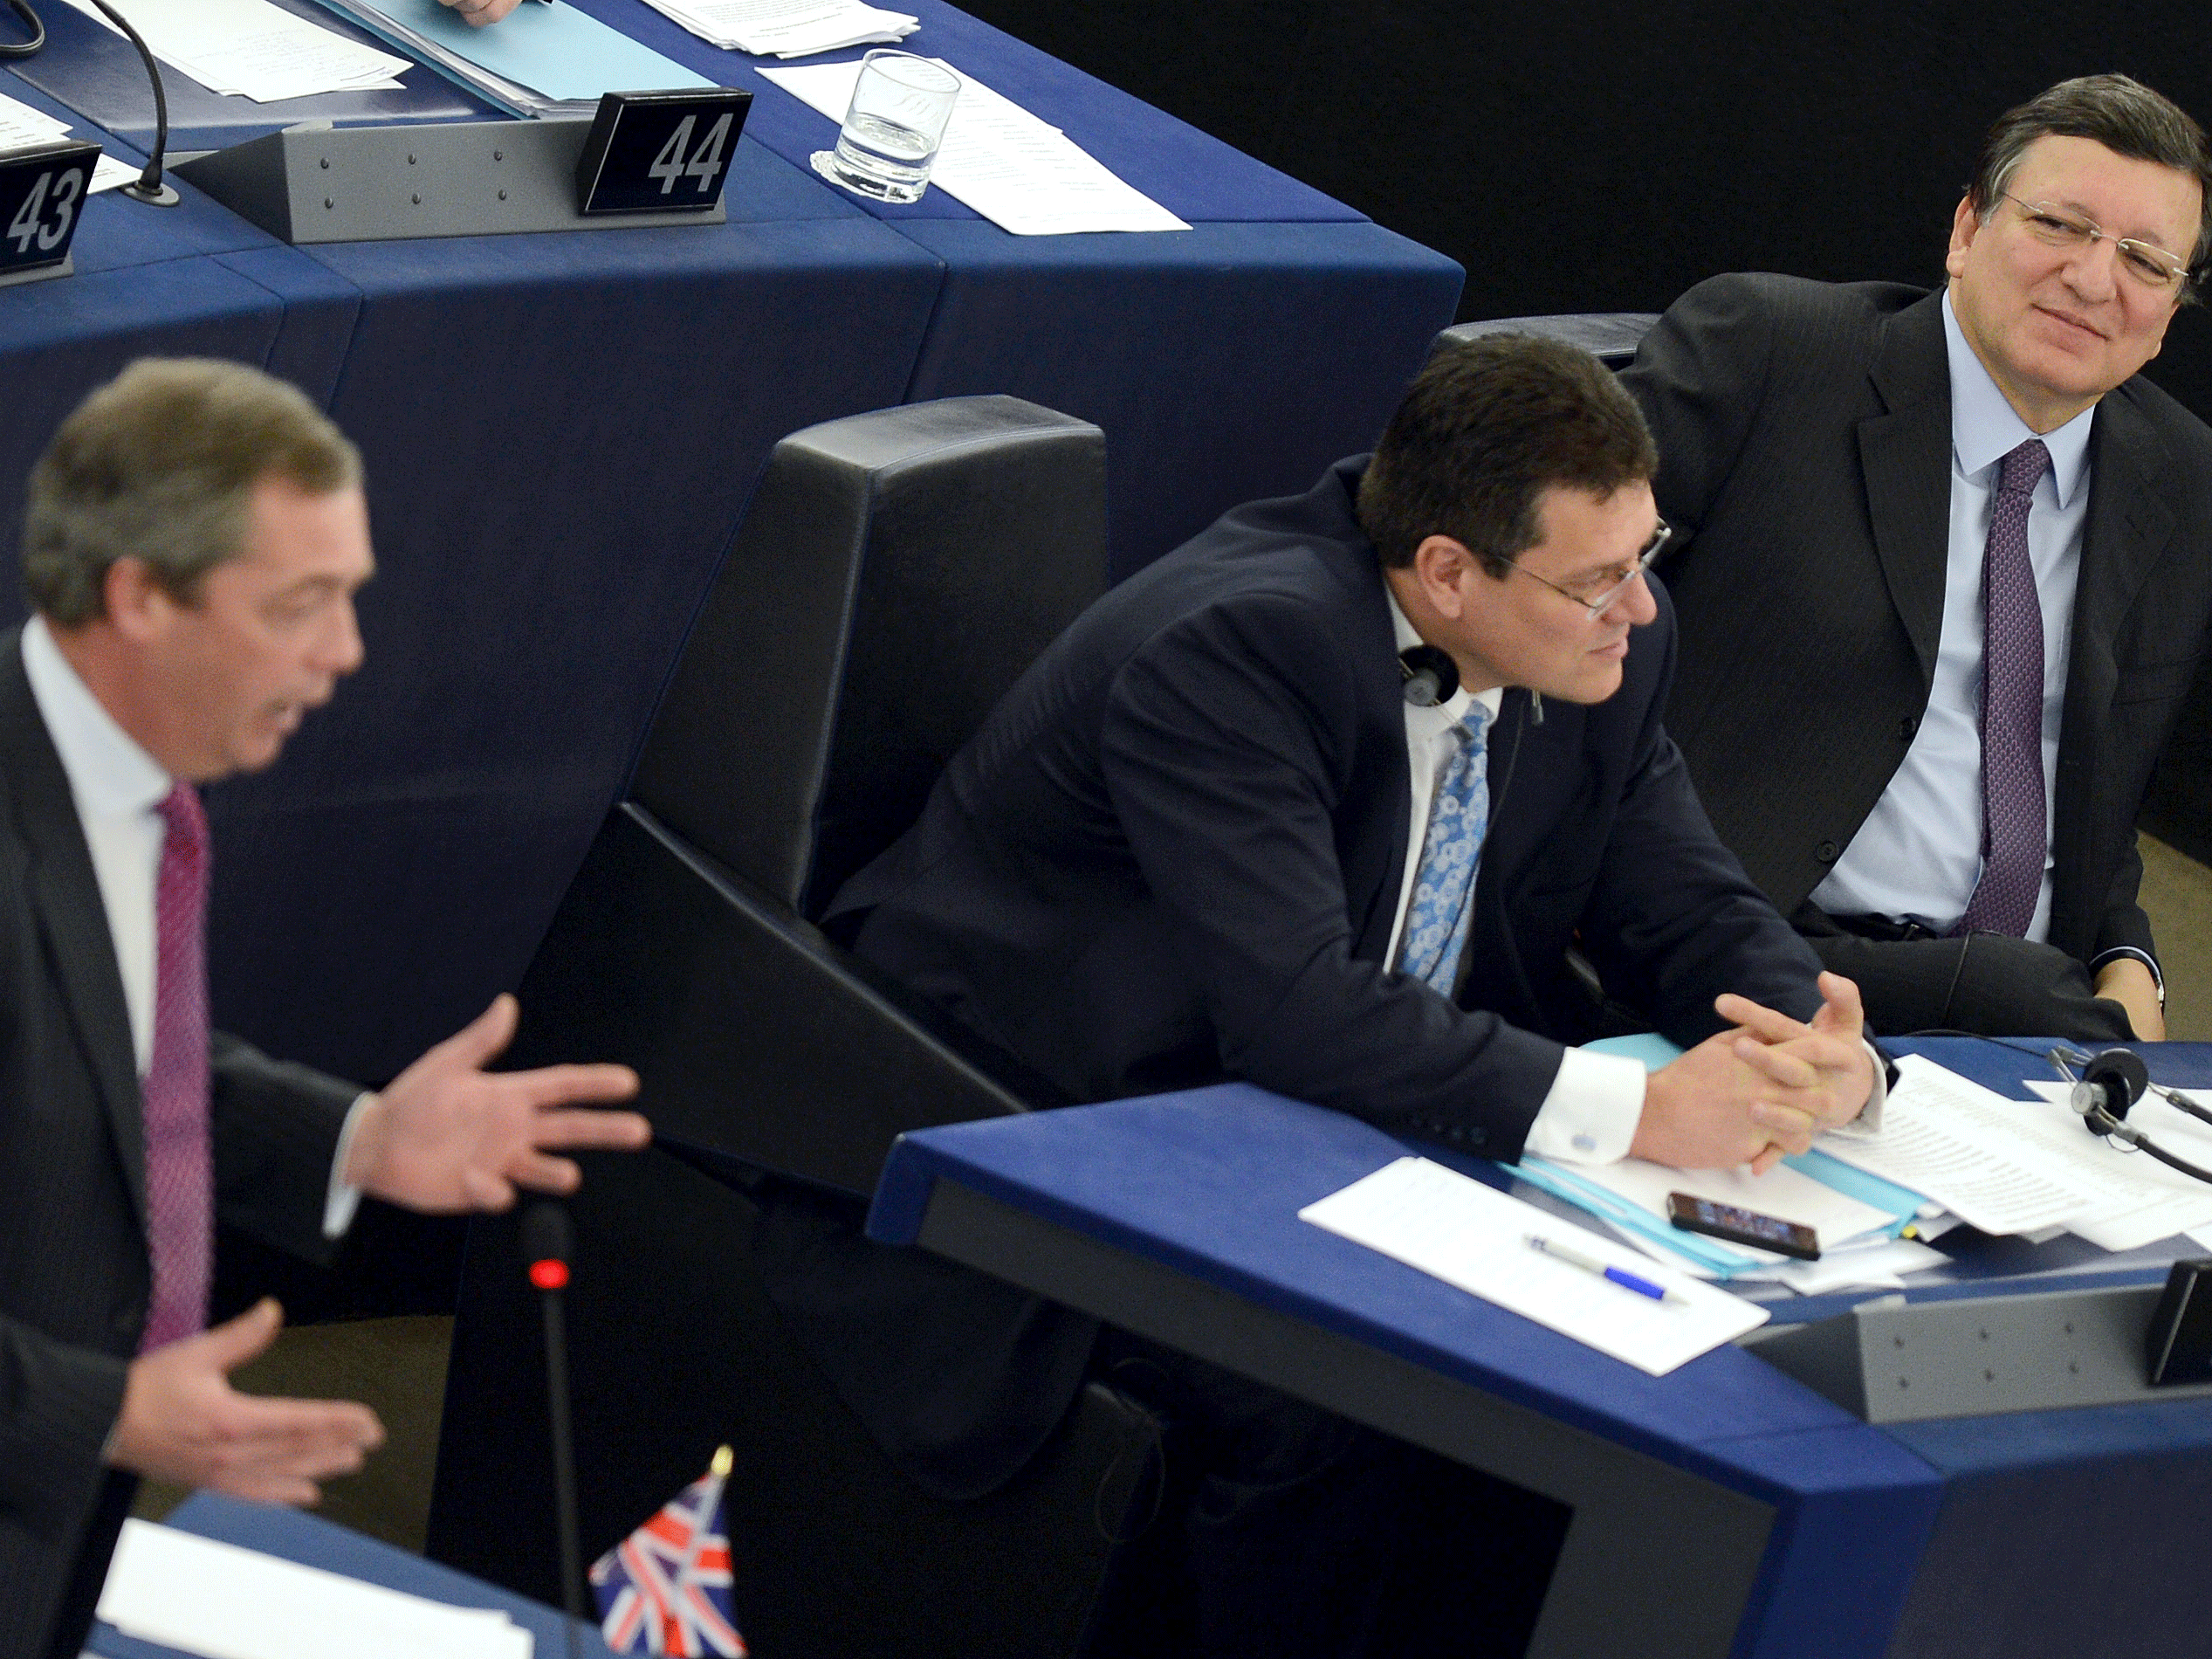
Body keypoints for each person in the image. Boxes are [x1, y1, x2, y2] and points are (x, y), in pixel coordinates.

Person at [759, 334, 1877, 1656]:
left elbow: (1680, 899)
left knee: (1651, 1388)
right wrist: (1641, 1112)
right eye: (1596, 581)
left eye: (1645, 558)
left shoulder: (1601, 641)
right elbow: (1299, 1012)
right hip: (1059, 1119)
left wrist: (1816, 1045)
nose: (1637, 607)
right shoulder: (1237, 648)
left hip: (1339, 1114)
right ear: (1448, 573)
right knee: (1359, 1412)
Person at [0, 359, 651, 1659]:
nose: (346, 654)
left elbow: (121, 1082)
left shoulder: (130, 793)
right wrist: (95, 1414)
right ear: (140, 597)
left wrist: (354, 1141)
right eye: (302, 606)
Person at [1622, 72, 2212, 1043]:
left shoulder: (2180, 481)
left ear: (2168, 312)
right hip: (1747, 950)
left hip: (2033, 1015)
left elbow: (2083, 770)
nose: (2094, 280)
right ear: (1966, 231)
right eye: (2059, 225)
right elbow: (1534, 609)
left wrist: (2126, 957)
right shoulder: (1767, 355)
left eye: (2145, 262)